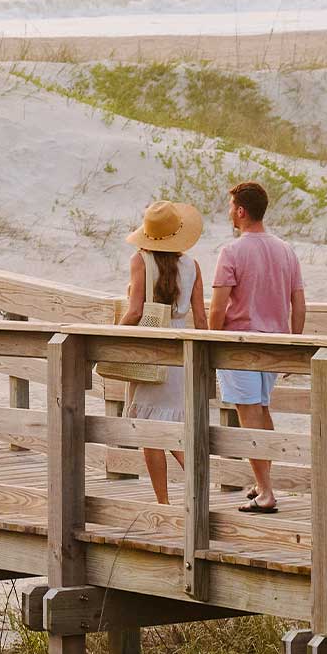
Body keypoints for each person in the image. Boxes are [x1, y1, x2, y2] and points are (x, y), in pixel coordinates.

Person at [210, 180, 305, 513]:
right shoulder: (285, 249)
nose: (228, 213)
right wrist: (294, 344)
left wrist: (211, 341)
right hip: (276, 342)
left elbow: (218, 307)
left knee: (249, 414)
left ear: (240, 211)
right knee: (261, 411)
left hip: (241, 344)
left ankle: (266, 492)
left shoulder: (232, 251)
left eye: (230, 206)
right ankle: (263, 482)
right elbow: (299, 304)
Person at [106, 200, 205, 505]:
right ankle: (199, 492)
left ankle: (163, 502)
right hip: (180, 355)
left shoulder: (140, 260)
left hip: (151, 351)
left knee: (151, 433)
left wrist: (112, 338)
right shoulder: (192, 266)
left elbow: (135, 311)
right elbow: (201, 319)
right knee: (175, 428)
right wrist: (202, 360)